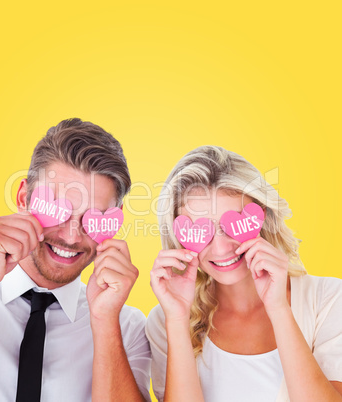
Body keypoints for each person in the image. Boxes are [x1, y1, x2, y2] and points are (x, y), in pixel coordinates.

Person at [0, 118, 151, 402]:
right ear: (24, 198)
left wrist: (104, 322)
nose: (72, 236)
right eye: (58, 211)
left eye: (92, 218)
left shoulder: (126, 327)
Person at [146, 145, 342, 402]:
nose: (220, 248)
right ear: (179, 237)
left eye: (232, 224)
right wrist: (177, 319)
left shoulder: (328, 299)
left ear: (263, 219)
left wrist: (279, 309)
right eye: (200, 230)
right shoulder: (166, 319)